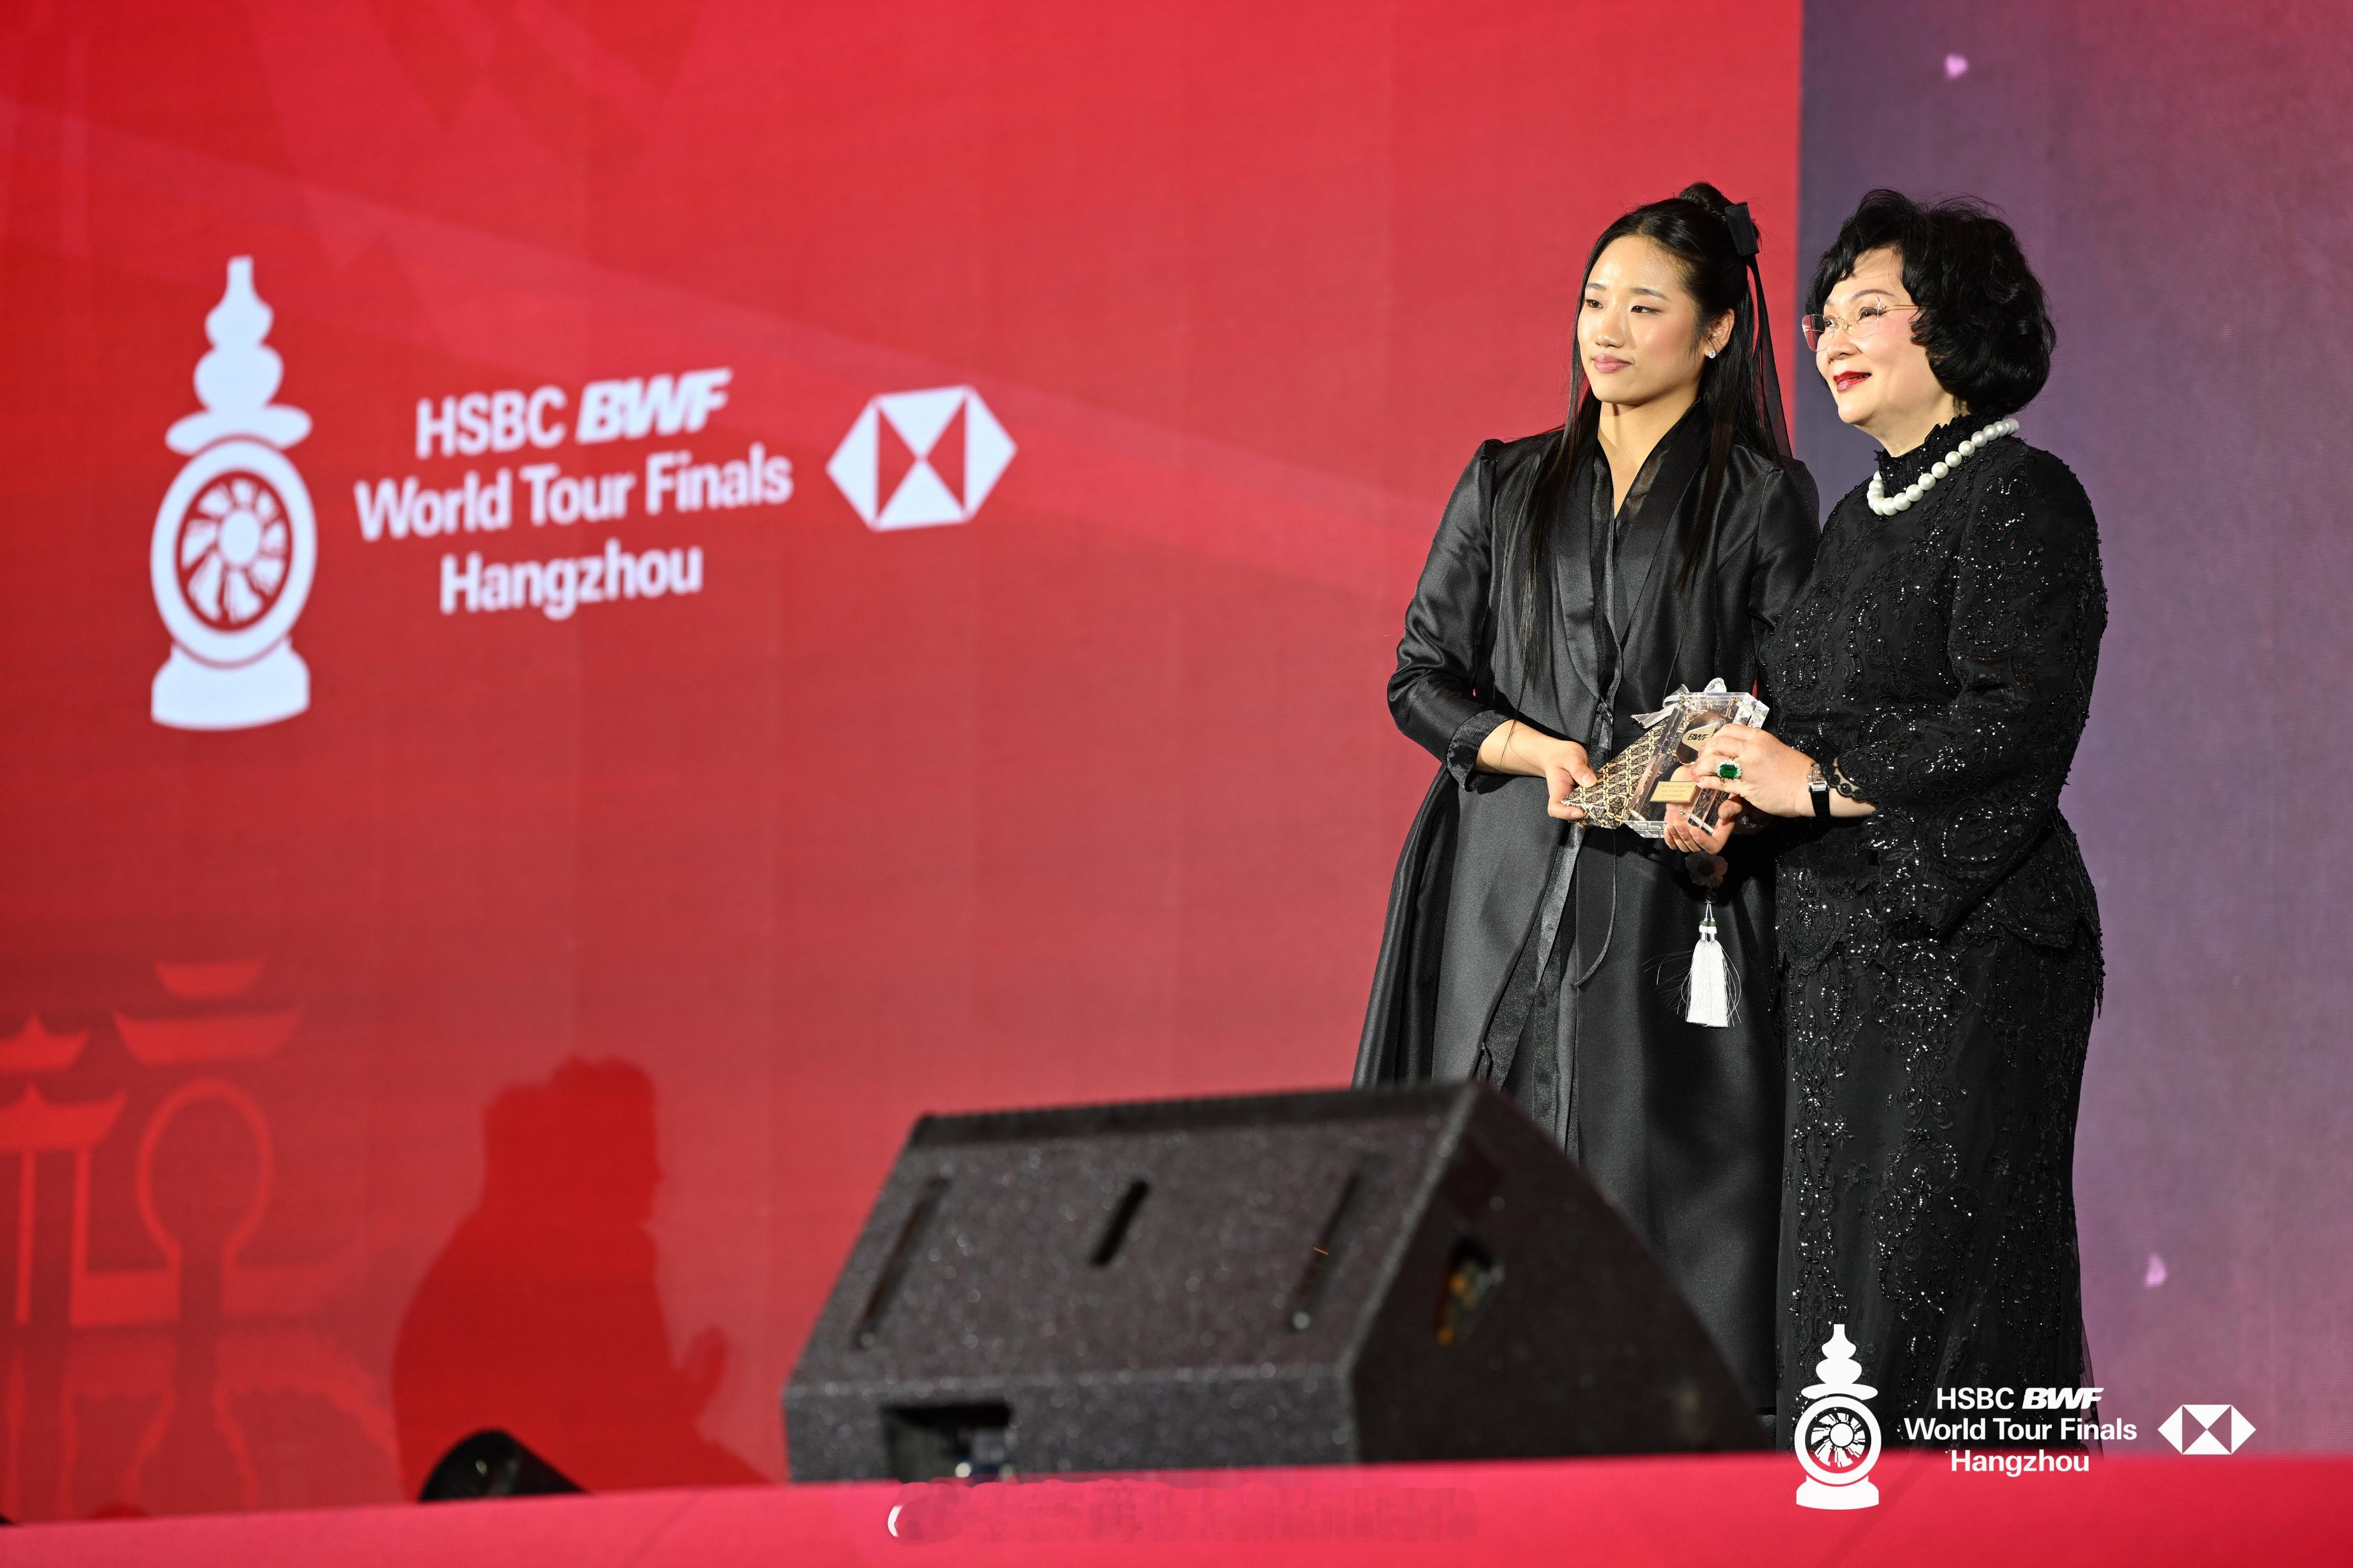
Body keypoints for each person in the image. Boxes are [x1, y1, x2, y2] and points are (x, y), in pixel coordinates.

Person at [1354, 184, 1818, 1414]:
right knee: (1483, 1159)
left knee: (1664, 1177)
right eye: (1593, 301)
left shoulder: (1761, 500)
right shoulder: (1503, 482)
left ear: (1716, 331)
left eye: (1643, 306)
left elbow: (1798, 712)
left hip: (1674, 887)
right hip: (1501, 873)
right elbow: (1417, 677)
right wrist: (1525, 747)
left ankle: (1674, 1442)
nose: (1605, 330)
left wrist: (1724, 812)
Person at [1687, 191, 2105, 1441]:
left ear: (1956, 328)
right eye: (1825, 317)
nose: (1831, 338)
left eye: (1871, 310)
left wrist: (1810, 784)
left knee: (1946, 1296)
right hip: (1838, 956)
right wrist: (1729, 794)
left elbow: (2015, 718)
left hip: (1971, 944)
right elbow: (1812, 727)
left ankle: (1983, 1524)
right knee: (1838, 1314)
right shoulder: (1849, 522)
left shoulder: (2024, 494)